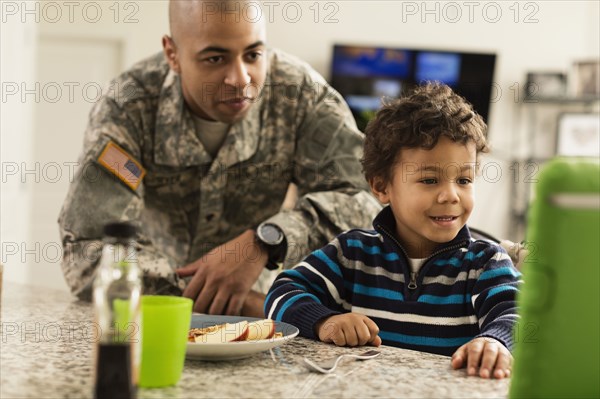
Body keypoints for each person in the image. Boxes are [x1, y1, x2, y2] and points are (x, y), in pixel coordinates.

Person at [58, 0, 380, 316]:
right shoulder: (130, 107)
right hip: (158, 315)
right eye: (215, 58)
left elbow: (365, 205)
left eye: (253, 55)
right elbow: (88, 251)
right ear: (173, 54)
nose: (240, 80)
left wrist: (268, 240)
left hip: (264, 322)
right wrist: (238, 304)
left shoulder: (303, 96)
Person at [265, 83, 521, 379]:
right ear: (381, 187)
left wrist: (495, 341)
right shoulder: (352, 255)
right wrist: (325, 322)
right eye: (429, 180)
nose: (451, 195)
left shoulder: (485, 263)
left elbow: (518, 314)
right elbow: (280, 294)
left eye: (464, 180)